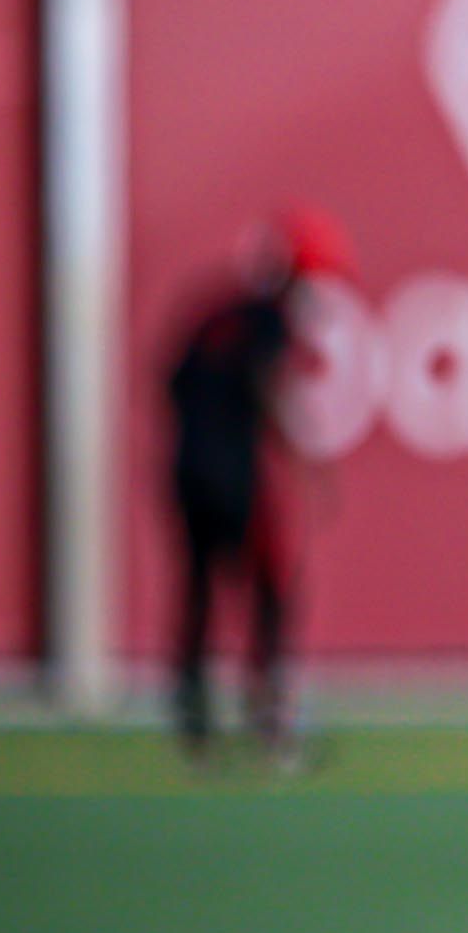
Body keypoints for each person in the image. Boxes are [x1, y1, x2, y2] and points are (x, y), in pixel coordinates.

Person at [164, 209, 346, 761]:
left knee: (200, 592)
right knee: (272, 591)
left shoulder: (215, 312)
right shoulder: (269, 321)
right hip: (235, 474)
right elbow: (265, 382)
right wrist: (302, 454)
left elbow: (170, 382)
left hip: (187, 470)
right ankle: (272, 717)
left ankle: (194, 720)